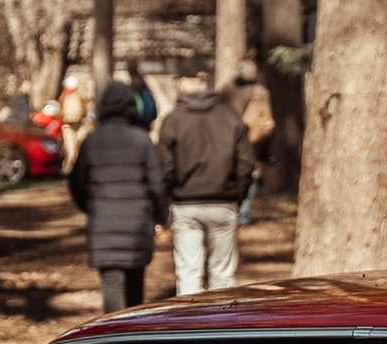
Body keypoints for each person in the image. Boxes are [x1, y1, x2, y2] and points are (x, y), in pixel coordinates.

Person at [68, 77, 169, 309]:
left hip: (103, 223)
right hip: (137, 223)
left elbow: (76, 183)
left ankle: (111, 339)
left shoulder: (91, 142)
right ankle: (132, 337)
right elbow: (158, 184)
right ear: (131, 107)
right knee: (135, 284)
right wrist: (160, 217)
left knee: (112, 284)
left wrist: (91, 206)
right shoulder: (142, 141)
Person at [158, 72, 257, 294]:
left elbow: (165, 167)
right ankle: (221, 324)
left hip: (185, 204)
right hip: (222, 203)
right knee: (222, 276)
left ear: (182, 83)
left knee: (188, 275)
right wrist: (236, 196)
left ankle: (189, 325)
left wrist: (170, 196)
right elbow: (246, 162)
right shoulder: (229, 116)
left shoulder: (172, 120)